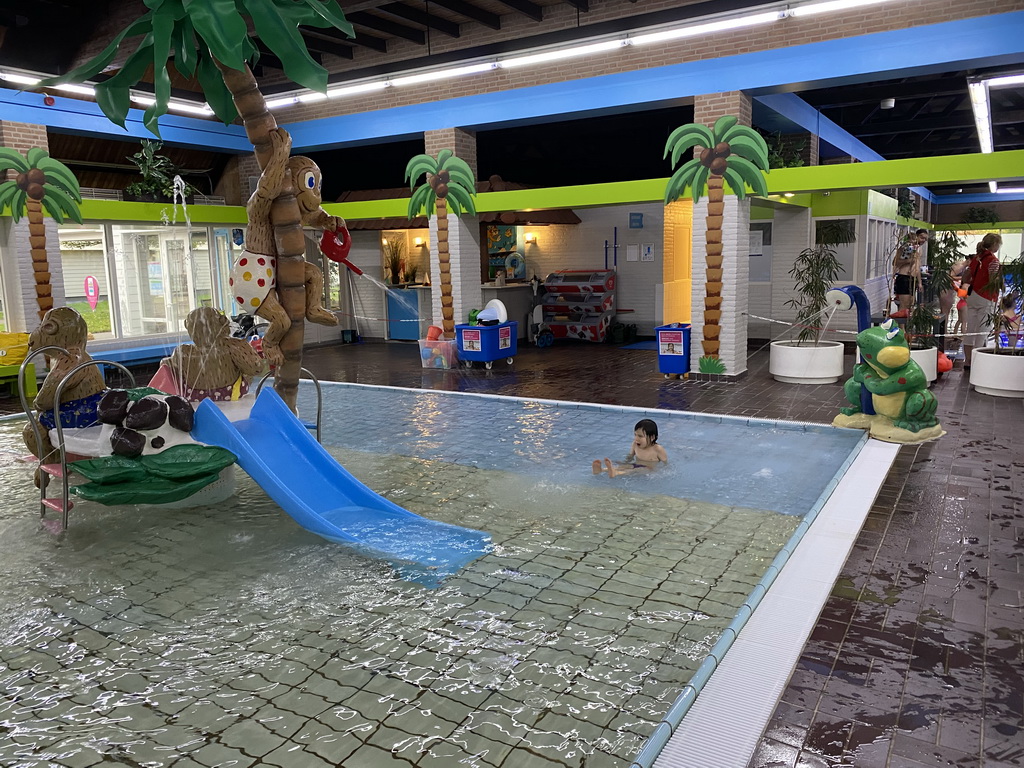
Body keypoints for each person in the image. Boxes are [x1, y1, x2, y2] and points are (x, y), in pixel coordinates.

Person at [962, 233, 1003, 369]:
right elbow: (993, 281)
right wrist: (1001, 285)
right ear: (995, 245)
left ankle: (967, 361)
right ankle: (977, 361)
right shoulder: (993, 260)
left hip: (973, 295)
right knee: (982, 330)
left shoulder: (976, 258)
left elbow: (966, 276)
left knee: (970, 329)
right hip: (986, 297)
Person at [593, 418, 667, 478]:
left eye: (640, 436)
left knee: (637, 470)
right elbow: (630, 456)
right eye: (635, 435)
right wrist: (625, 462)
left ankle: (616, 473)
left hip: (649, 469)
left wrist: (660, 473)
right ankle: (601, 470)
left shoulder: (658, 449)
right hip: (636, 464)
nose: (636, 439)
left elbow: (665, 464)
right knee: (625, 466)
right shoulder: (635, 444)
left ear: (652, 437)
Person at [891, 229, 929, 318]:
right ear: (916, 236)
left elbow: (917, 267)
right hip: (904, 277)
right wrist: (908, 261)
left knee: (910, 303)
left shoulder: (919, 249)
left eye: (925, 239)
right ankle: (901, 328)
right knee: (904, 303)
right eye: (921, 238)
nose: (923, 240)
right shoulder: (905, 247)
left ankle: (906, 325)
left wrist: (919, 282)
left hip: (913, 279)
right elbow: (895, 262)